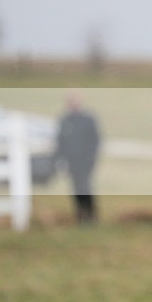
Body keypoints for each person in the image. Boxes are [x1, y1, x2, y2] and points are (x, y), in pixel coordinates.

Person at [55, 91, 100, 224]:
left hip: (85, 162)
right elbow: (60, 142)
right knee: (75, 189)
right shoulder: (64, 120)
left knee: (85, 188)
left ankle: (91, 216)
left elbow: (95, 141)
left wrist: (91, 158)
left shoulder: (88, 120)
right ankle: (80, 216)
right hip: (71, 162)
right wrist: (60, 159)